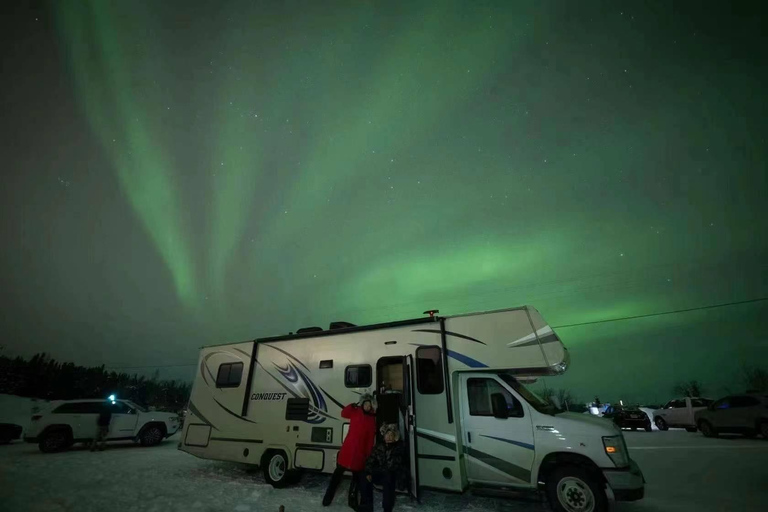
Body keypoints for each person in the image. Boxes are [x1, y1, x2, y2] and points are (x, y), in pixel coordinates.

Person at [323, 392, 377, 508]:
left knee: (356, 479)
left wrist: (367, 454)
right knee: (337, 475)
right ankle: (327, 498)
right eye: (366, 404)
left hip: (359, 453)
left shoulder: (372, 419)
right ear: (362, 404)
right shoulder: (355, 411)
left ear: (372, 406)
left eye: (369, 405)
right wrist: (350, 406)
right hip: (348, 449)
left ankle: (352, 501)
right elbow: (343, 413)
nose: (367, 406)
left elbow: (370, 439)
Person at [358, 424, 405, 512]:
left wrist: (389, 449)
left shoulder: (398, 447)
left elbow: (393, 465)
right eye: (387, 435)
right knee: (364, 476)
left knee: (388, 477)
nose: (389, 437)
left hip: (393, 474)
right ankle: (366, 506)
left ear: (395, 437)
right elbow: (370, 460)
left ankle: (387, 508)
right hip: (380, 472)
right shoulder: (379, 446)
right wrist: (368, 472)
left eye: (391, 435)